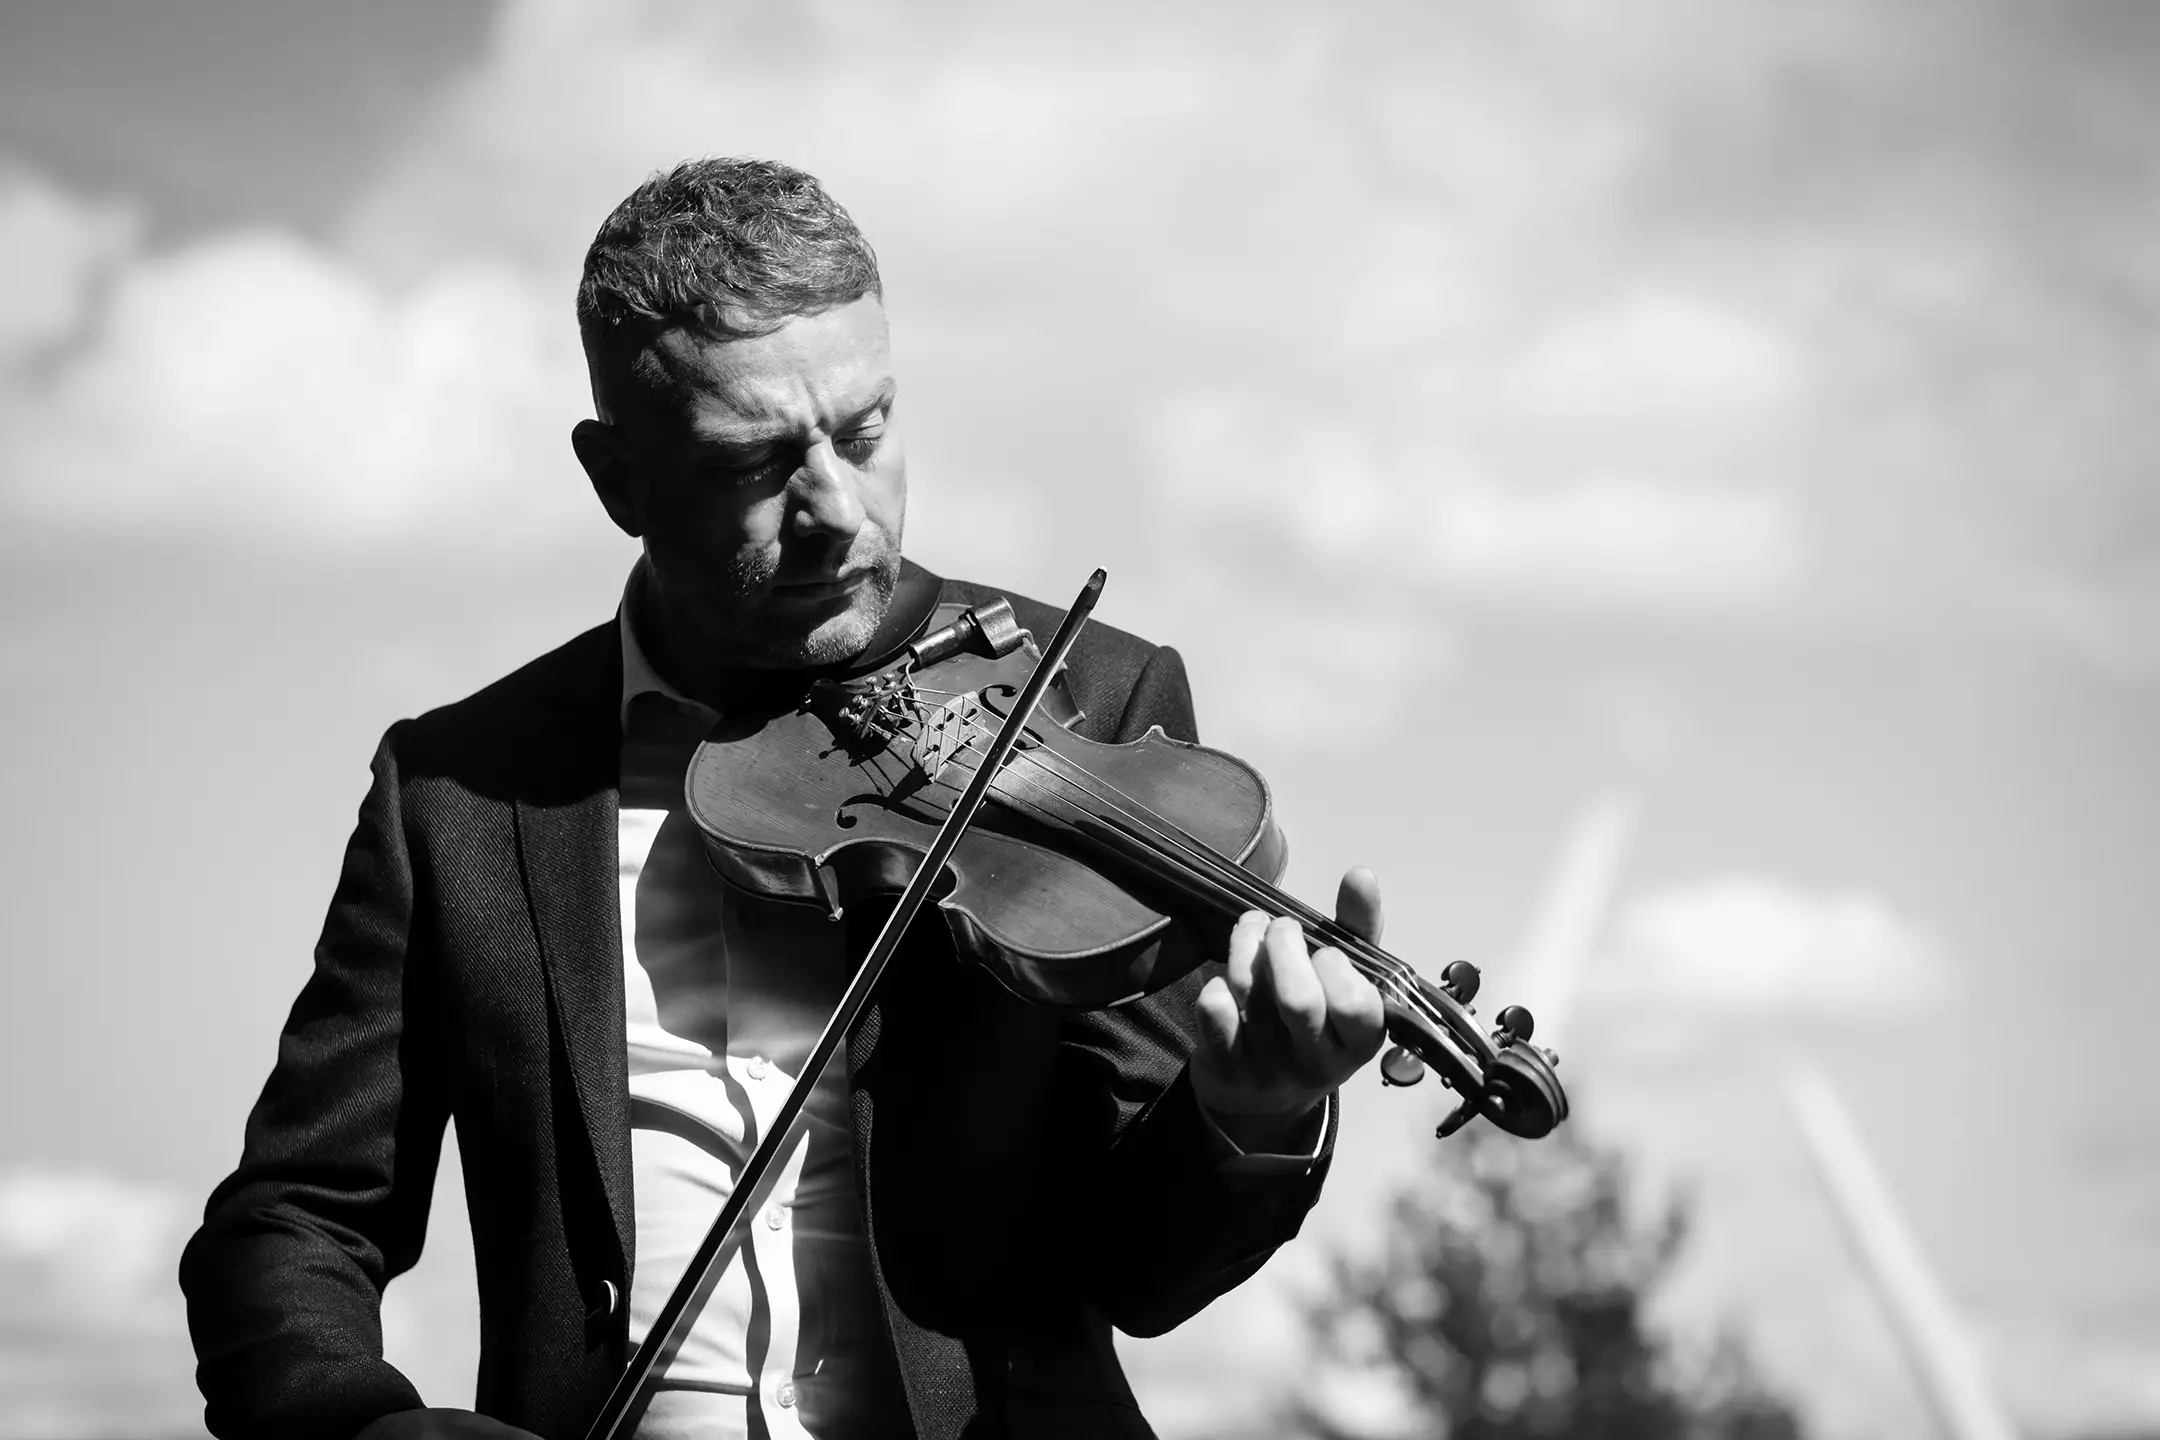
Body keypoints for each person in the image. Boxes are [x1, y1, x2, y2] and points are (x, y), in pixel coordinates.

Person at [180, 158, 1388, 1440]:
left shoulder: (1082, 694)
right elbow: (293, 1219)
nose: (835, 513)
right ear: (617, 481)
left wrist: (1249, 1116)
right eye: (753, 463)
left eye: (864, 432)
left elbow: (1138, 1270)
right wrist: (366, 1429)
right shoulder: (462, 791)